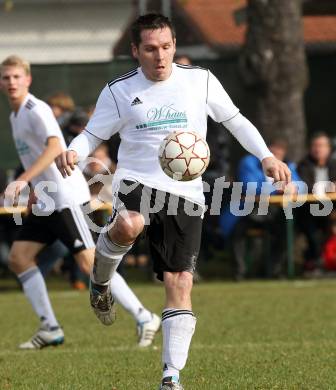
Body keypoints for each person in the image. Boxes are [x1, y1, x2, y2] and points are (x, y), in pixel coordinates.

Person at [56, 13, 291, 390]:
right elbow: (90, 133)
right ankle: (101, 282)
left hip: (186, 192)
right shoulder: (119, 91)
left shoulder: (201, 81)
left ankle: (170, 376)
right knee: (128, 224)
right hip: (137, 182)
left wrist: (266, 156)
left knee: (180, 279)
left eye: (166, 47)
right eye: (150, 48)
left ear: (174, 46)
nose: (160, 56)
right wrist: (72, 151)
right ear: (135, 51)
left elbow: (236, 121)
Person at [0, 55, 160, 350]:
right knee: (19, 258)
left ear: (28, 80)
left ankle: (144, 316)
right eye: (6, 77)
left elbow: (54, 148)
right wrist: (35, 187)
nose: (11, 82)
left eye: (16, 77)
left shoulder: (37, 110)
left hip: (66, 197)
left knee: (90, 264)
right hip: (48, 198)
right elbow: (37, 155)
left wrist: (24, 179)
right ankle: (50, 328)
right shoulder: (15, 115)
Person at [220, 138, 302, 279]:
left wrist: (293, 188)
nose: (275, 157)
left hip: (276, 211)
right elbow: (249, 186)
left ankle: (273, 270)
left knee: (287, 232)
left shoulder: (288, 165)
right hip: (249, 209)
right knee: (237, 233)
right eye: (272, 152)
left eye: (279, 154)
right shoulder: (249, 162)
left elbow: (299, 186)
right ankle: (239, 272)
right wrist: (277, 188)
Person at [297, 132, 336, 272]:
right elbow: (305, 186)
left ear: (329, 148)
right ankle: (315, 262)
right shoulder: (304, 164)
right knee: (311, 231)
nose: (317, 149)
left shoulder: (334, 164)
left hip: (331, 209)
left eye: (321, 145)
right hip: (309, 210)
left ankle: (323, 262)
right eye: (314, 145)